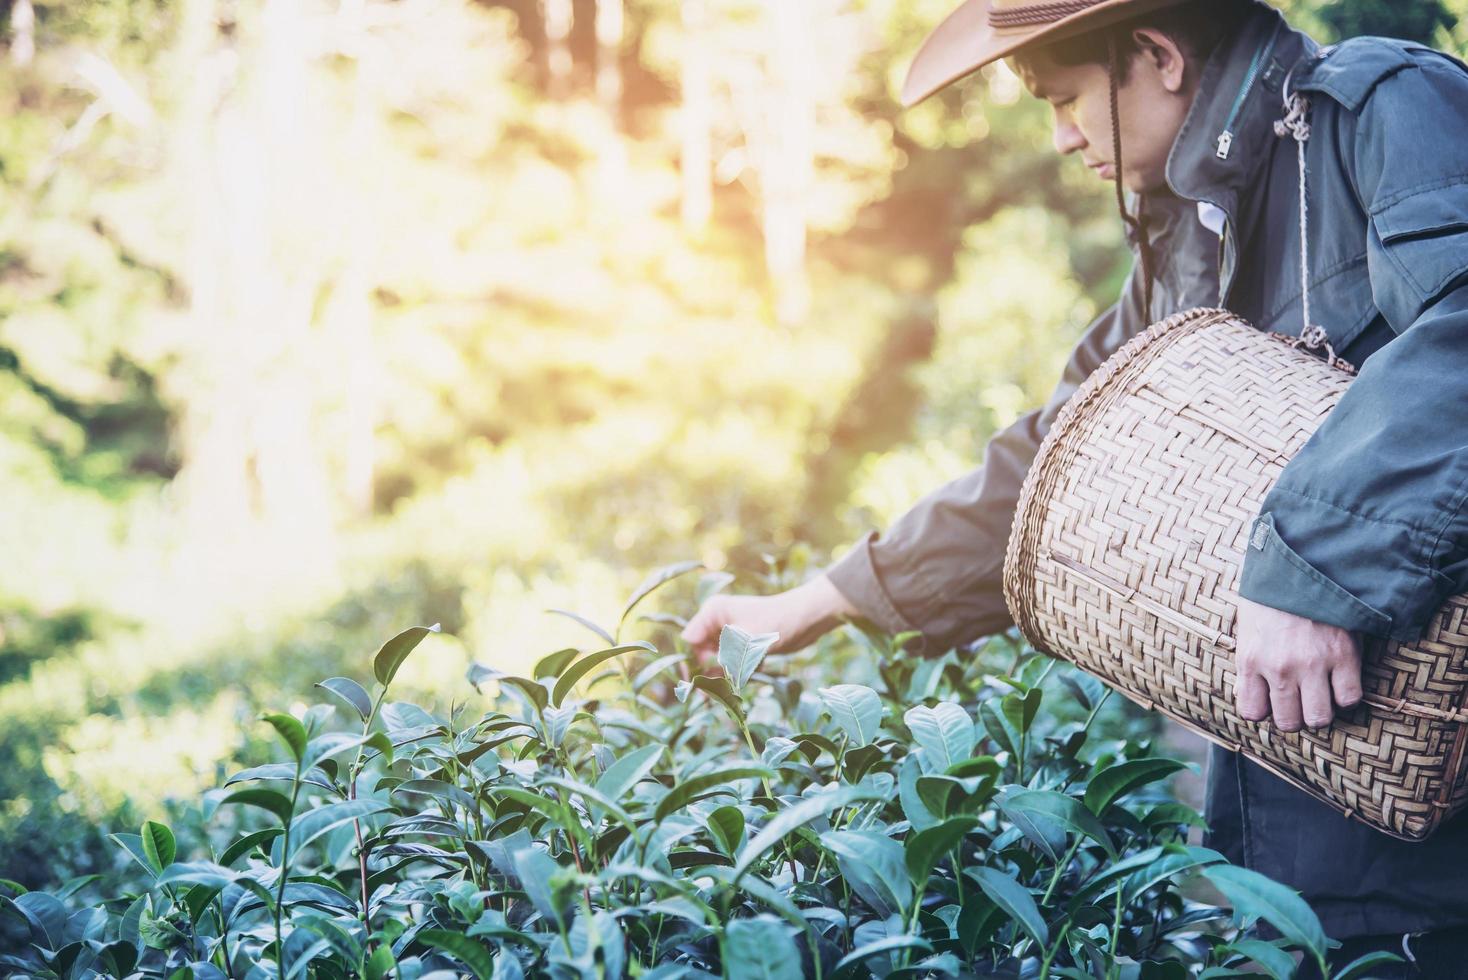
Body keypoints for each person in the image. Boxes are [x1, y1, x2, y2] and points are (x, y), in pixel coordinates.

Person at [682, 0, 1468, 973]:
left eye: (1062, 100)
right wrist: (812, 603)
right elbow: (1050, 466)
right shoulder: (1184, 243)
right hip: (1300, 857)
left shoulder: (1384, 110)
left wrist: (1308, 563)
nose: (1059, 139)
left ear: (1155, 55)